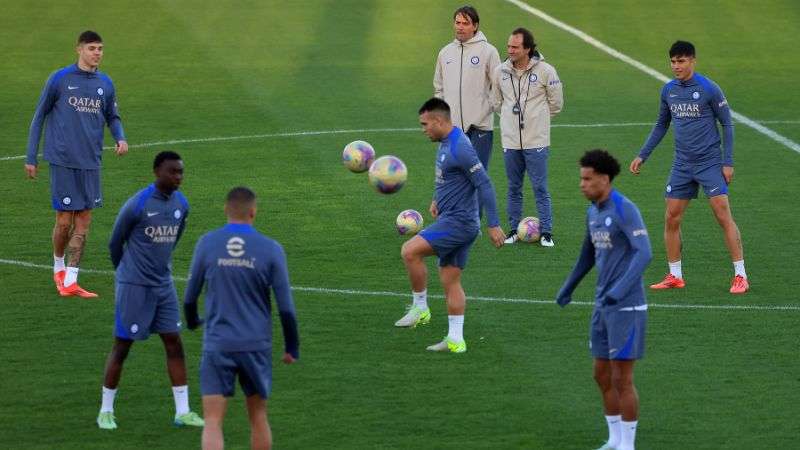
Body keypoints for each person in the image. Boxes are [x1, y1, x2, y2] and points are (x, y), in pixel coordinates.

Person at [183, 187, 299, 450]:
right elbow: (286, 308)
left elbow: (190, 297)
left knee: (212, 421)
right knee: (258, 417)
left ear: (226, 210)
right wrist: (292, 347)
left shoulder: (207, 243)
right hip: (255, 344)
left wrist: (192, 321)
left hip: (218, 343)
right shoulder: (271, 249)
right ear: (253, 212)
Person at [630, 40, 748, 294]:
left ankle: (740, 275)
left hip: (709, 163)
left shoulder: (709, 88)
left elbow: (727, 124)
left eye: (681, 61)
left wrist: (727, 162)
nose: (676, 66)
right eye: (673, 61)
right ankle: (675, 275)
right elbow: (662, 124)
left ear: (693, 61)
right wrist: (643, 155)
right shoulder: (668, 91)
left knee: (722, 215)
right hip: (682, 164)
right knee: (671, 217)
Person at [97, 151, 203, 430]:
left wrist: (159, 267)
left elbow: (175, 237)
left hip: (163, 285)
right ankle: (106, 410)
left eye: (181, 172)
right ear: (157, 172)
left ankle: (183, 411)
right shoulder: (138, 204)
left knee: (174, 342)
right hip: (134, 286)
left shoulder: (182, 204)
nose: (178, 177)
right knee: (122, 346)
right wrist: (126, 274)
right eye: (173, 172)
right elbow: (114, 242)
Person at [556, 149, 652, 450]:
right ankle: (614, 439)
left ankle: (628, 445)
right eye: (581, 179)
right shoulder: (593, 211)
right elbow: (587, 254)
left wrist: (619, 291)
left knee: (622, 377)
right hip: (603, 306)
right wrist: (568, 287)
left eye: (588, 179)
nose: (582, 184)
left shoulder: (624, 209)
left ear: (605, 179)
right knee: (601, 373)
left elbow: (644, 252)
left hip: (626, 306)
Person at [394, 98, 504, 353]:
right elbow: (451, 177)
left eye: (425, 124)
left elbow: (484, 184)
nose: (423, 129)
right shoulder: (447, 142)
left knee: (410, 251)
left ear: (439, 121)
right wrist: (437, 198)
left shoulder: (460, 147)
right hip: (453, 218)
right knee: (450, 279)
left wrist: (494, 224)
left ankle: (420, 308)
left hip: (459, 222)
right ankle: (456, 340)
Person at [25, 30, 129, 298]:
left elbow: (113, 116)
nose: (97, 53)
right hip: (63, 160)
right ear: (79, 49)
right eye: (92, 48)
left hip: (91, 161)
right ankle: (58, 266)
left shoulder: (105, 83)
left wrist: (120, 138)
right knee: (64, 221)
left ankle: (71, 281)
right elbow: (39, 117)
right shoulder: (60, 79)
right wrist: (31, 157)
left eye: (101, 48)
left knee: (84, 221)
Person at [492, 27, 563, 246]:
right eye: (509, 46)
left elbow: (556, 104)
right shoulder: (500, 71)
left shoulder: (546, 71)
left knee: (540, 187)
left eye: (515, 47)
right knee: (514, 187)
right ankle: (513, 229)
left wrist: (537, 119)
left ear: (527, 49)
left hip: (537, 140)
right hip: (511, 140)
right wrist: (509, 120)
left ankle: (547, 232)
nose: (510, 50)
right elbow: (496, 102)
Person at [434, 5, 501, 216]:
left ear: (475, 26)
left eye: (465, 23)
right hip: (451, 129)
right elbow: (439, 88)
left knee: (477, 176)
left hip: (479, 127)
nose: (460, 27)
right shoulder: (445, 53)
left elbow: (497, 87)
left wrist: (484, 112)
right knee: (449, 173)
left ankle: (474, 219)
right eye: (458, 22)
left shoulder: (488, 51)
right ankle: (451, 214)